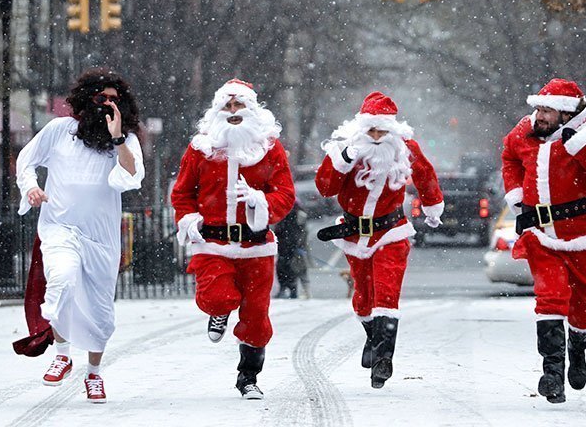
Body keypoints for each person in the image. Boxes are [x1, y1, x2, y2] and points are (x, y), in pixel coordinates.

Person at [15, 68, 145, 403]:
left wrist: (117, 138)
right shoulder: (60, 130)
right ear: (86, 99)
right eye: (100, 97)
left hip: (101, 237)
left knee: (100, 309)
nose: (106, 104)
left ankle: (94, 373)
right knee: (61, 279)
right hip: (59, 226)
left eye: (114, 100)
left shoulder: (126, 141)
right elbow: (26, 161)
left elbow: (130, 178)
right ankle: (62, 353)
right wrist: (31, 188)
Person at [501, 78, 586, 403]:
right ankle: (552, 373)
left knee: (583, 306)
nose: (539, 116)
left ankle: (579, 344)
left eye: (547, 111)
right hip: (541, 236)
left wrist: (582, 146)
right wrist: (515, 192)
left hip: (585, 236)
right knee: (550, 298)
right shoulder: (525, 132)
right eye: (538, 109)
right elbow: (509, 155)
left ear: (567, 114)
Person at [171, 78, 295, 399]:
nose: (233, 111)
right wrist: (187, 218)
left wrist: (259, 200)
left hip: (257, 247)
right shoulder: (201, 147)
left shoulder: (269, 148)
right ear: (217, 111)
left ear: (253, 110)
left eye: (239, 105)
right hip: (213, 244)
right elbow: (183, 193)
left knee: (256, 316)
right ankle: (219, 311)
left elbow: (285, 193)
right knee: (216, 297)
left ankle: (248, 377)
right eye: (227, 106)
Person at [315, 91, 444, 388]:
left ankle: (384, 357)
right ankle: (373, 338)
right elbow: (324, 187)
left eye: (382, 130)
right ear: (361, 129)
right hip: (354, 232)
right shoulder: (345, 150)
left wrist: (432, 205)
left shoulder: (405, 149)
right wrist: (344, 160)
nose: (376, 136)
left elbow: (425, 175)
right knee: (363, 297)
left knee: (387, 292)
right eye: (371, 130)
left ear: (392, 130)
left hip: (391, 231)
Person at [274, 200, 310, 299]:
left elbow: (302, 231)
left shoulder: (295, 213)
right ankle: (288, 289)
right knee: (286, 268)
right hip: (285, 245)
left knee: (290, 268)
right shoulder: (291, 212)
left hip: (290, 245)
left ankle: (290, 290)